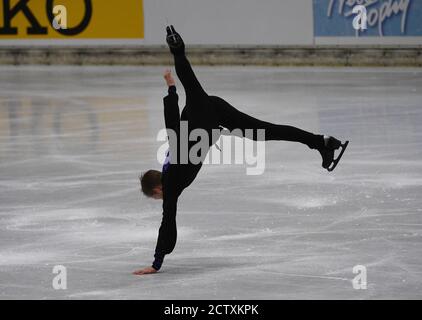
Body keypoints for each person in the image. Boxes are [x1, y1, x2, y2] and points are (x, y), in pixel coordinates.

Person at [132, 26, 349, 275]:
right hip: (209, 111)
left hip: (204, 121)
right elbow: (171, 124)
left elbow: (167, 221)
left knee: (200, 93)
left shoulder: (170, 186)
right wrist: (171, 89)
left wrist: (156, 262)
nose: (162, 200)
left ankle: (178, 50)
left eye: (157, 197)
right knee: (263, 128)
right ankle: (323, 142)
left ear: (158, 190)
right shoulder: (168, 164)